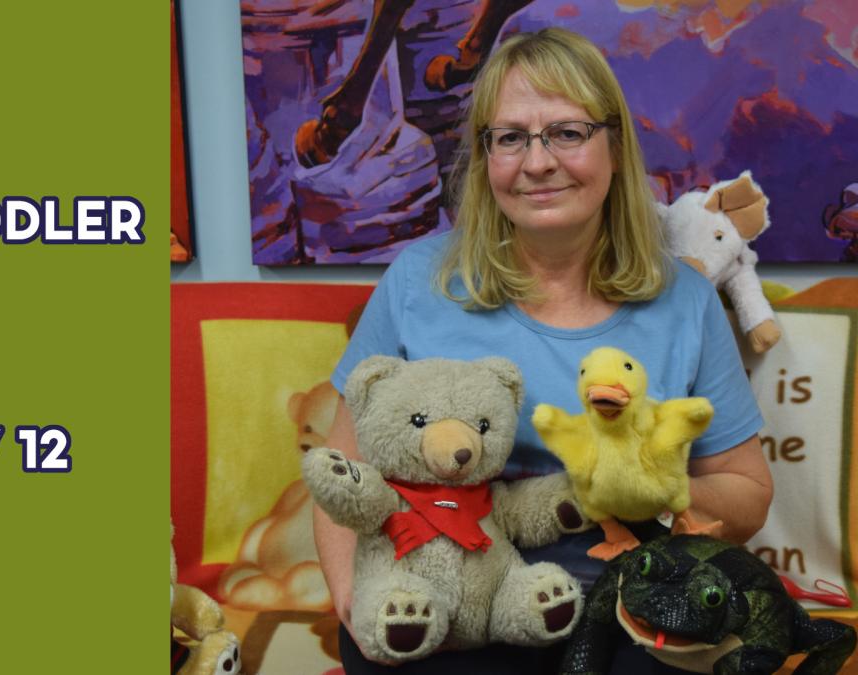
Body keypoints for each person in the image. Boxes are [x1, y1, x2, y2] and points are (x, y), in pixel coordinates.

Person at [314, 27, 773, 674]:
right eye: (510, 137)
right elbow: (342, 473)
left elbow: (748, 494)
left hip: (624, 598)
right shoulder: (419, 283)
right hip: (442, 587)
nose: (537, 162)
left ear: (614, 146)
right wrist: (350, 600)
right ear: (484, 157)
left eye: (566, 132)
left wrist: (655, 486)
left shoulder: (686, 300)